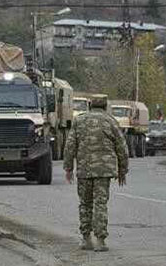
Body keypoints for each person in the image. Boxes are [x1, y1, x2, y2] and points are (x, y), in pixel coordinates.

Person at [63, 95, 129, 252]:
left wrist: (68, 168)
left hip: (84, 169)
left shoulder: (79, 120)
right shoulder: (111, 121)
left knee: (85, 204)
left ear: (90, 105)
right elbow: (122, 147)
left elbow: (70, 145)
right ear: (105, 106)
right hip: (103, 170)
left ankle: (86, 239)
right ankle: (100, 241)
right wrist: (123, 170)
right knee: (100, 203)